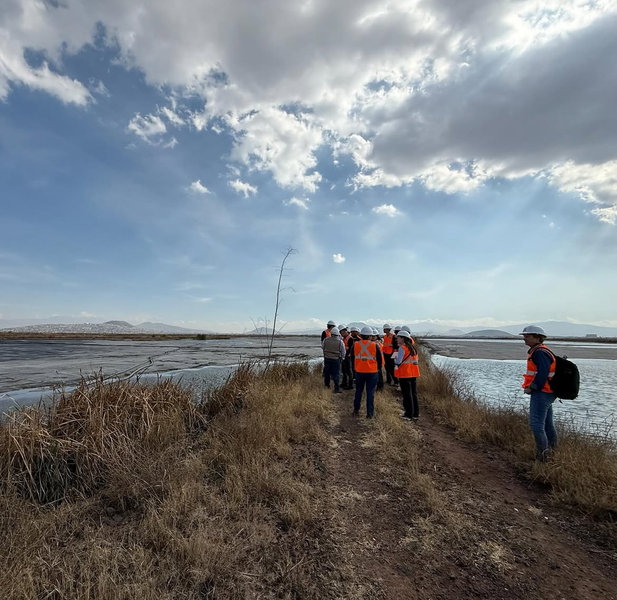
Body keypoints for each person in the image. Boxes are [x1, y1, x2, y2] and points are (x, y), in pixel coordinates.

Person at [520, 325, 558, 462]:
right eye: (524, 336)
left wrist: (532, 387)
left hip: (542, 392)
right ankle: (552, 453)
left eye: (528, 336)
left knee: (536, 424)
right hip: (547, 392)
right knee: (548, 424)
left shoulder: (540, 352)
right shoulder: (540, 351)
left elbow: (542, 373)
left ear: (538, 337)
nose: (525, 339)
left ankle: (542, 458)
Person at [352, 326, 383, 418]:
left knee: (358, 391)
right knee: (370, 392)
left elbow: (352, 359)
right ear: (370, 336)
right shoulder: (375, 345)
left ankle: (356, 410)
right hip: (372, 372)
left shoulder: (356, 344)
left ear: (361, 335)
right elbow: (379, 360)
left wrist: (355, 368)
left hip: (359, 371)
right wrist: (378, 368)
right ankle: (370, 413)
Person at [394, 330, 420, 420]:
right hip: (414, 373)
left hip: (405, 374)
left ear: (402, 338)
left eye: (398, 337)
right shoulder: (413, 348)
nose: (397, 339)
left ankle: (408, 414)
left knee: (407, 395)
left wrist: (395, 357)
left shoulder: (402, 348)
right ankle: (415, 414)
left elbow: (398, 361)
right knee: (413, 394)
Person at [322, 327, 345, 393]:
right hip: (336, 359)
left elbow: (323, 347)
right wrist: (342, 358)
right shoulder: (340, 342)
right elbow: (343, 352)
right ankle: (336, 388)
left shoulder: (325, 340)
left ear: (331, 333)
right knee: (336, 373)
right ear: (338, 334)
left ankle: (327, 385)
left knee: (327, 373)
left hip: (327, 358)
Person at [339, 326, 354, 390]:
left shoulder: (350, 339)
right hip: (344, 356)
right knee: (344, 371)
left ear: (345, 331)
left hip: (348, 357)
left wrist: (345, 352)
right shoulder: (344, 339)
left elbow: (350, 348)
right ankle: (344, 383)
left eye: (342, 333)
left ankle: (350, 385)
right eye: (341, 333)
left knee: (349, 371)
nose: (342, 334)